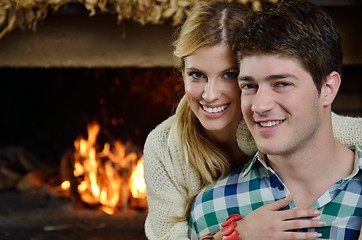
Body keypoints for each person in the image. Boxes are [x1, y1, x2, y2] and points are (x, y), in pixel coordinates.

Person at [143, 1, 362, 240]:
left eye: (230, 75)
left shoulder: (308, 123)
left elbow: (332, 131)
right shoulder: (166, 147)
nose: (210, 94)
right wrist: (235, 235)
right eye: (196, 75)